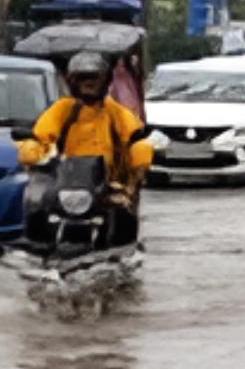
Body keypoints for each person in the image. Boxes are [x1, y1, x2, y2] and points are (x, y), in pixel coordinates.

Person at [16, 51, 154, 246]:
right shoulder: (63, 109)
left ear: (105, 81)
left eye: (94, 78)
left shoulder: (115, 112)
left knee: (123, 213)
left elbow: (135, 137)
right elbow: (41, 135)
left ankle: (122, 252)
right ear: (73, 82)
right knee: (35, 206)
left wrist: (139, 159)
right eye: (83, 78)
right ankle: (39, 246)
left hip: (107, 183)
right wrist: (31, 150)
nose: (89, 83)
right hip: (64, 181)